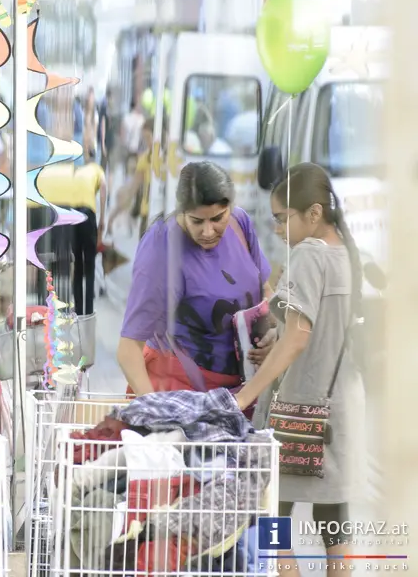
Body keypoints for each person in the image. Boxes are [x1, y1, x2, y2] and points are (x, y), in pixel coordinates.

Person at [234, 163, 362, 577]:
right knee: (335, 523)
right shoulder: (347, 252)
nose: (276, 229)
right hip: (338, 410)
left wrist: (246, 394)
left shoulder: (309, 255)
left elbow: (297, 338)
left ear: (313, 214)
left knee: (274, 519)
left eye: (282, 218)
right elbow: (322, 328)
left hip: (297, 413)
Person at [117, 161, 276, 396]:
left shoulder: (240, 223)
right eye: (197, 221)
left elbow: (266, 291)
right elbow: (129, 349)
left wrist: (273, 332)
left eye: (218, 218)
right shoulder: (162, 248)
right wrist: (156, 410)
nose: (208, 232)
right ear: (181, 210)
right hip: (181, 392)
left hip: (245, 391)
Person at [69, 149, 107, 315]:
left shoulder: (77, 171)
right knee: (89, 265)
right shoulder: (99, 170)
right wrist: (102, 222)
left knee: (77, 264)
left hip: (73, 215)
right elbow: (103, 194)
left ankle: (78, 311)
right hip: (88, 215)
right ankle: (89, 312)